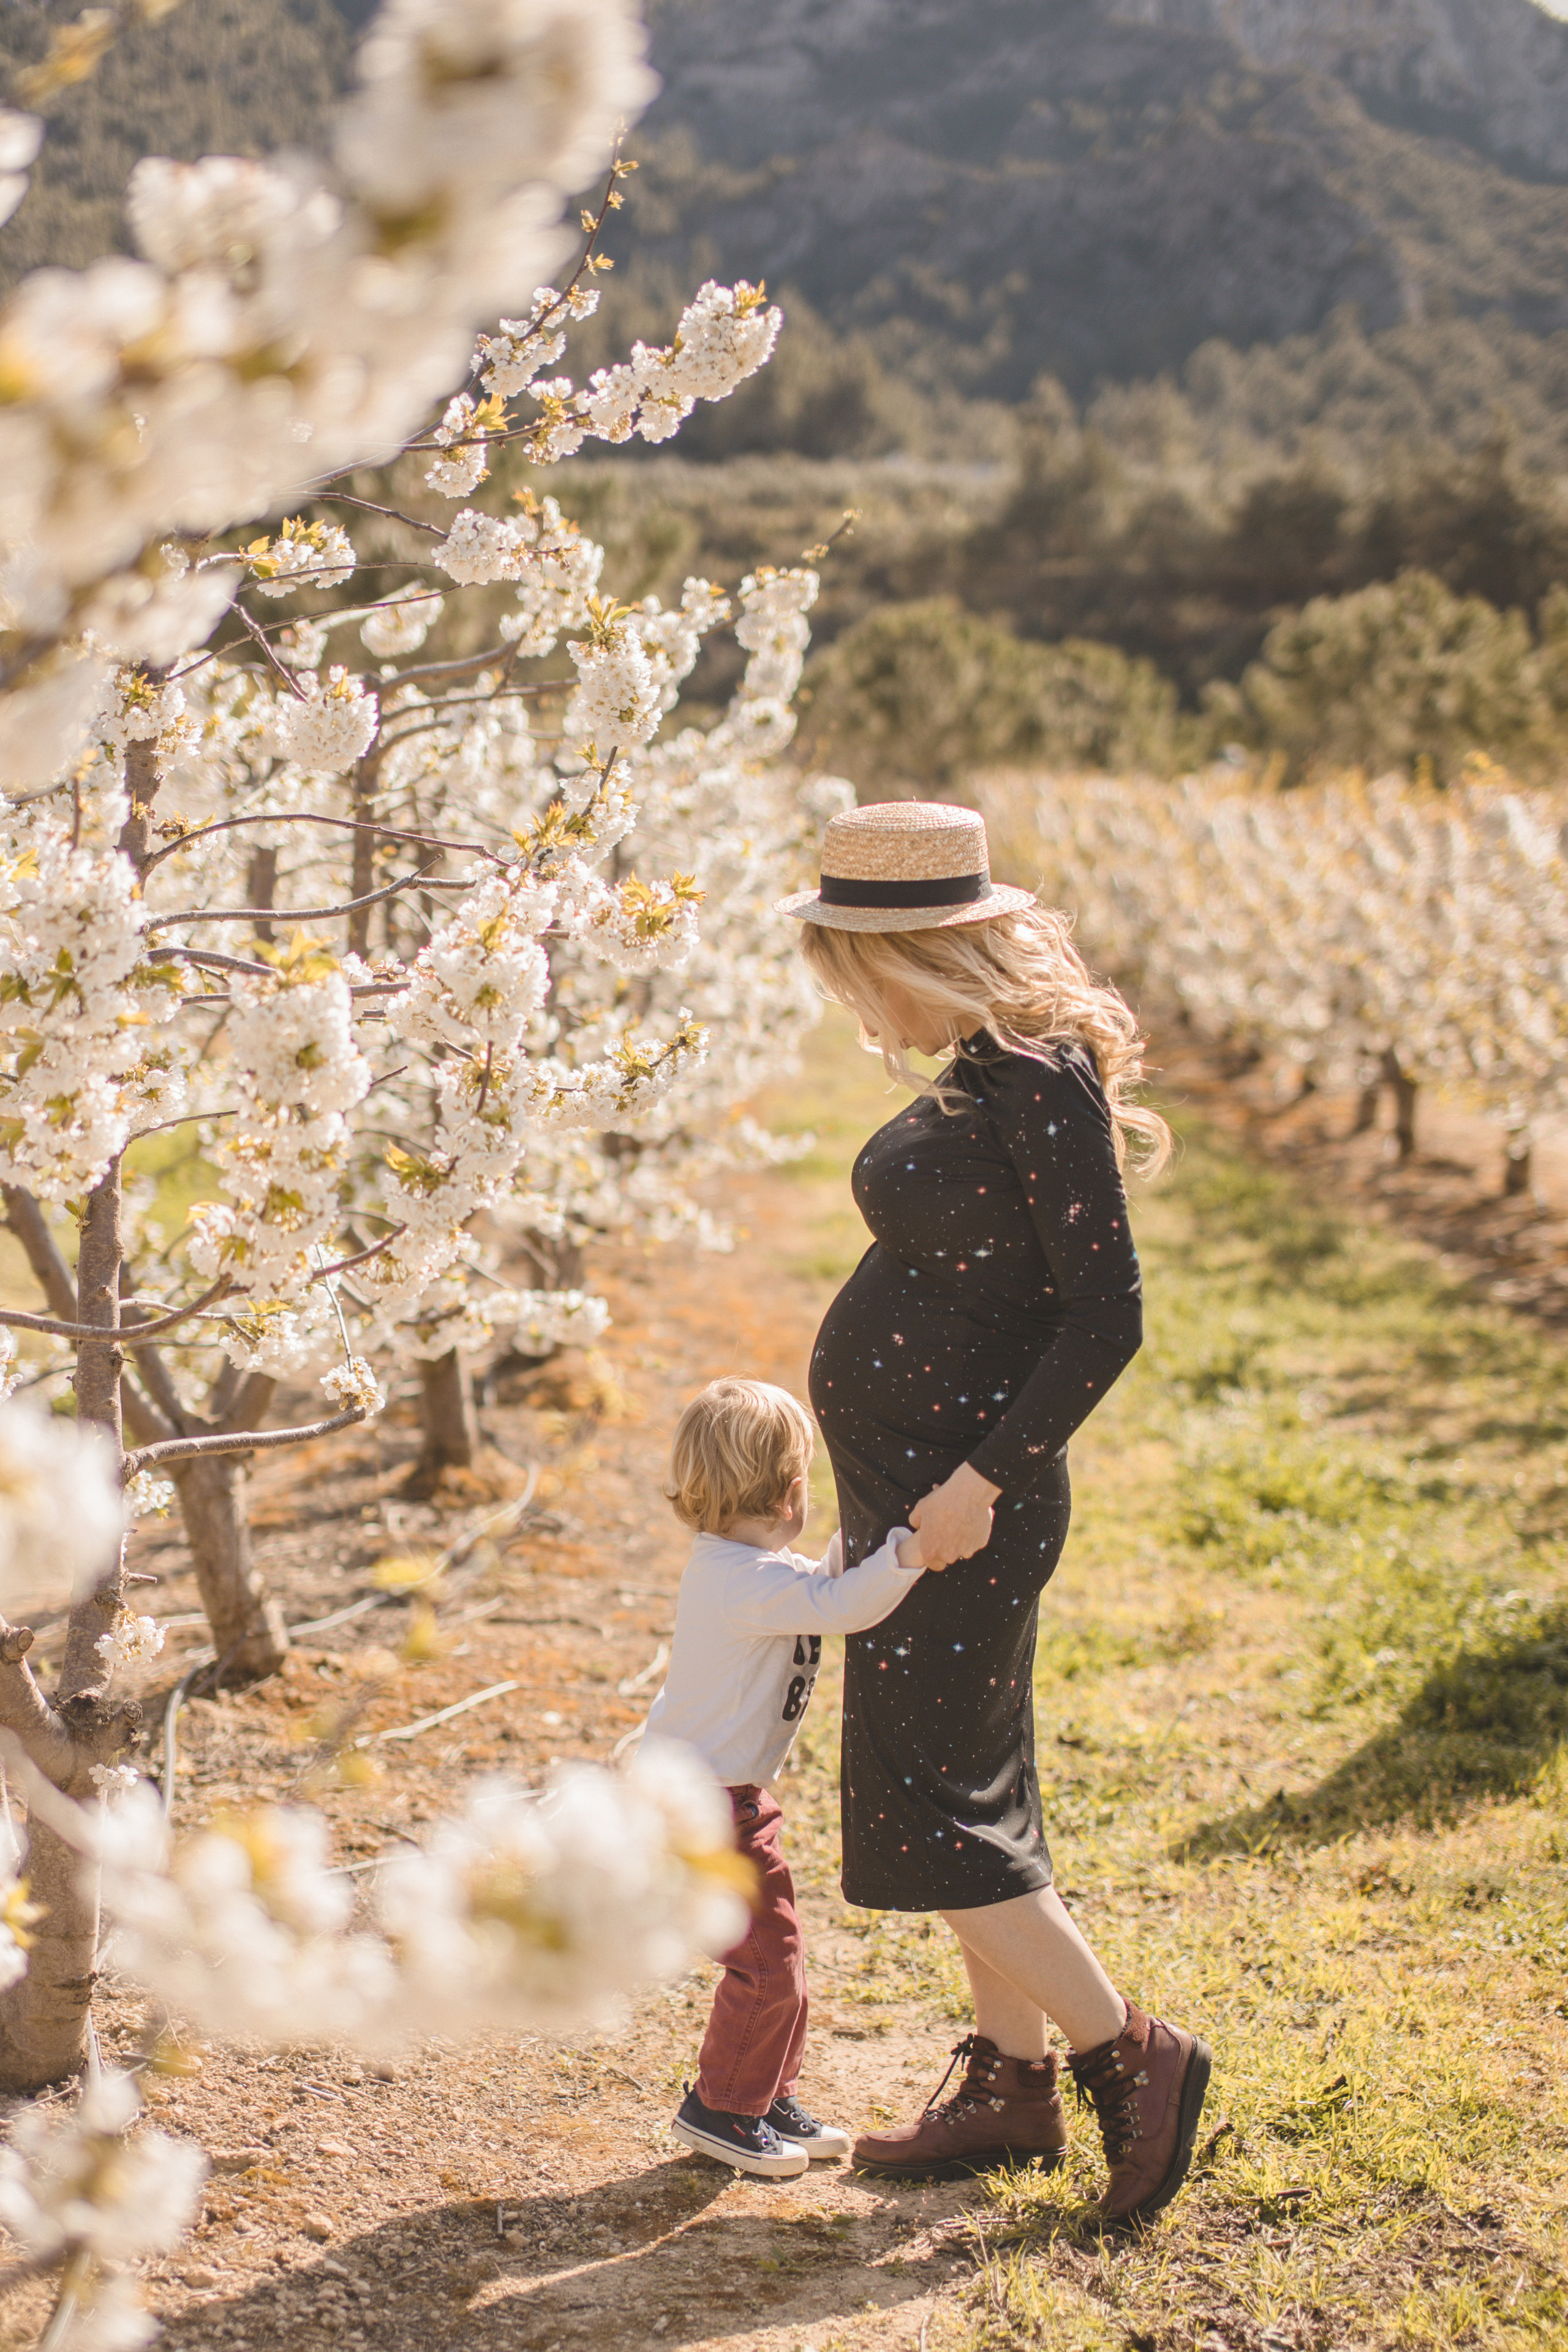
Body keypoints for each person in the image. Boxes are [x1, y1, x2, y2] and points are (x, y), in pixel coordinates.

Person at [776, 799, 1210, 2227]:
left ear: (924, 948)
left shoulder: (1032, 1073)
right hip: (910, 1486)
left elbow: (1107, 1315)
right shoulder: (983, 1065)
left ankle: (1126, 2057)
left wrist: (978, 1481)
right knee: (963, 1792)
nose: (852, 998)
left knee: (927, 1810)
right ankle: (1004, 2084)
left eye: (856, 966)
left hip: (962, 1497)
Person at [643, 1375, 930, 2179]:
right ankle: (722, 2109)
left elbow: (824, 1580)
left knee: (784, 1957)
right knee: (768, 1964)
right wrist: (906, 1552)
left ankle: (763, 2095)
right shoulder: (742, 1582)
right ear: (787, 1492)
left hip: (728, 1798)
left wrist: (870, 1536)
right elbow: (842, 1604)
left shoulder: (749, 1566)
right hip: (702, 1808)